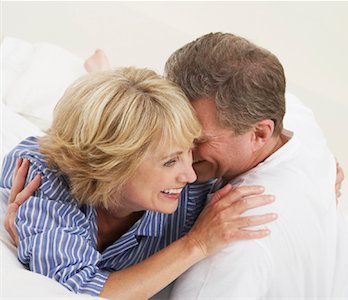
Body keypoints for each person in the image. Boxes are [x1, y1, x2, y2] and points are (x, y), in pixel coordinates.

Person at [0, 67, 278, 299]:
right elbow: (84, 291)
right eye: (170, 162)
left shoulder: (194, 193)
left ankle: (100, 69)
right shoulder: (40, 182)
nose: (189, 175)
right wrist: (197, 244)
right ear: (112, 167)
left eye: (189, 152)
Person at [163, 32, 348, 299]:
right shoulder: (298, 123)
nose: (178, 146)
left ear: (259, 133)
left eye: (197, 139)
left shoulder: (235, 240)